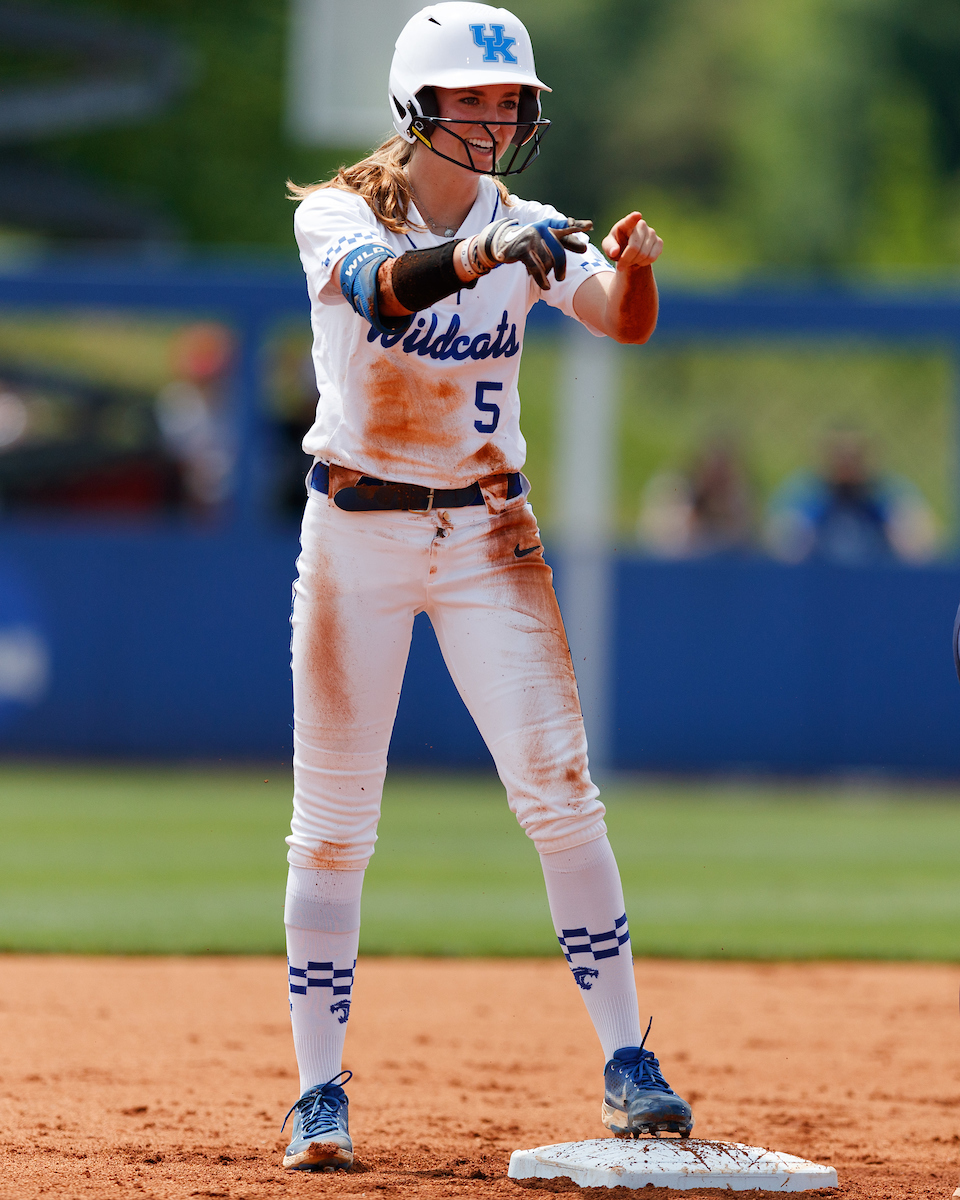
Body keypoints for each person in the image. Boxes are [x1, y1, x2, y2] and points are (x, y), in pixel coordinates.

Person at [281, 1, 694, 1172]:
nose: (498, 117)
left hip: (484, 534)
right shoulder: (337, 213)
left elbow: (621, 322)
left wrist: (638, 269)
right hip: (355, 526)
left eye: (510, 100)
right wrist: (488, 252)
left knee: (561, 792)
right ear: (418, 105)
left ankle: (629, 1062)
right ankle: (318, 1093)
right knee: (334, 827)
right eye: (474, 96)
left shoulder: (534, 225)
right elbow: (380, 290)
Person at [764, 427, 937, 566]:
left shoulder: (886, 495)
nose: (847, 468)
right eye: (840, 458)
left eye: (854, 458)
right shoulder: (807, 495)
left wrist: (889, 520)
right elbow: (779, 545)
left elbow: (922, 545)